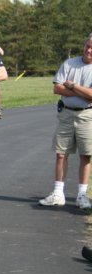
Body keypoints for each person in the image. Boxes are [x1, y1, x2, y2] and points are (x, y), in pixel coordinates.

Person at [38, 34, 92, 210]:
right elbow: (57, 88)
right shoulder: (69, 63)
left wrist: (73, 86)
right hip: (66, 114)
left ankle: (82, 195)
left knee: (86, 155)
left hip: (87, 116)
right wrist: (82, 92)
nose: (89, 50)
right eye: (87, 46)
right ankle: (58, 193)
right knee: (61, 153)